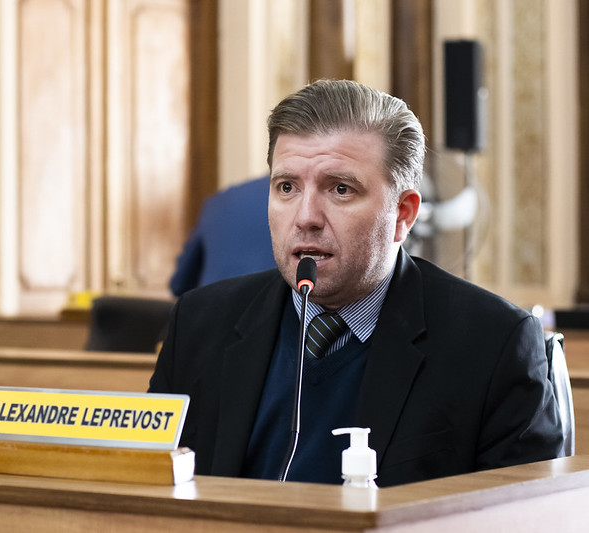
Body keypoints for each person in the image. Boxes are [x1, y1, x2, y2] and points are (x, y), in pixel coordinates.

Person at [149, 79, 563, 487]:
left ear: (403, 214)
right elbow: (143, 486)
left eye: (341, 189)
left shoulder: (492, 344)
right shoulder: (200, 323)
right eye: (287, 187)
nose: (306, 216)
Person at [169, 175, 276, 296]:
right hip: (268, 308)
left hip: (208, 308)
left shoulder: (218, 201)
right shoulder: (292, 205)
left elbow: (180, 283)